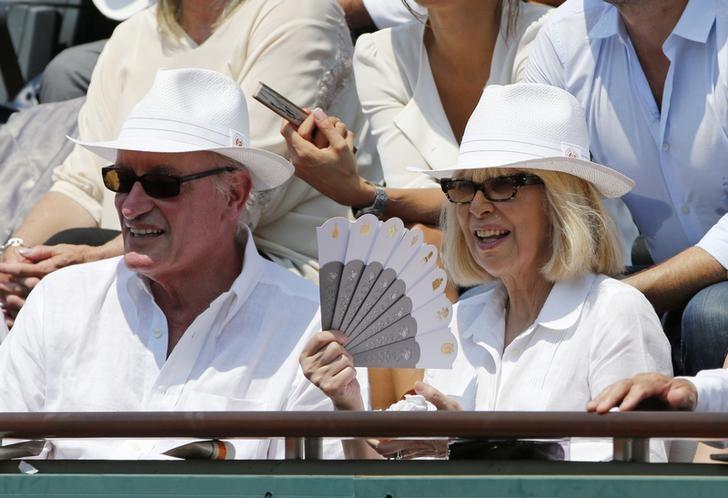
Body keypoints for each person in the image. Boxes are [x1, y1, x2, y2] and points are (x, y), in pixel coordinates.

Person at [300, 83, 673, 462]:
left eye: (502, 184)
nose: (476, 207)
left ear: (562, 201)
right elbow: (392, 485)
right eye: (463, 186)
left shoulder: (616, 312)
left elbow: (632, 481)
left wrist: (476, 447)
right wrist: (348, 402)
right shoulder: (463, 320)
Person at [0, 68, 341, 460]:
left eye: (164, 185)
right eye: (121, 179)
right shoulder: (58, 302)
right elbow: (8, 462)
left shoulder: (310, 324)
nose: (130, 206)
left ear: (234, 194)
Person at [0, 0, 373, 327]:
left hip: (272, 272)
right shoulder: (130, 35)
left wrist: (85, 264)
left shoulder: (300, 15)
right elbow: (80, 183)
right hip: (132, 262)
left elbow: (244, 199)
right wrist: (19, 258)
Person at [524, 0, 728, 376]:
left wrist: (622, 296)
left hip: (693, 288)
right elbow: (526, 180)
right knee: (497, 299)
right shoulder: (564, 36)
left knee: (712, 315)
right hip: (658, 267)